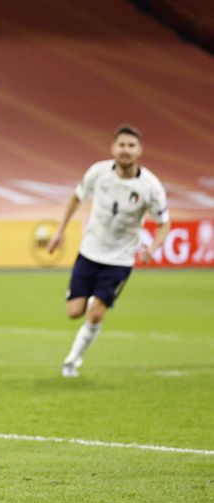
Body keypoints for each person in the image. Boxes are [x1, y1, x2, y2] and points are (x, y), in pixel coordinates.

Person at [47, 125, 170, 378]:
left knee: (96, 315)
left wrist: (153, 247)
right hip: (90, 251)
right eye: (122, 145)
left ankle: (72, 362)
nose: (126, 150)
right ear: (113, 148)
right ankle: (91, 300)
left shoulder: (150, 186)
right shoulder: (98, 172)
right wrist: (60, 231)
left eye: (131, 146)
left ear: (140, 150)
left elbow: (164, 223)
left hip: (120, 259)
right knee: (74, 312)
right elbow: (76, 198)